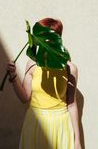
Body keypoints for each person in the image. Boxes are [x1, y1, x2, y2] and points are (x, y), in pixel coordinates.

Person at [7, 18, 82, 149]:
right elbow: (25, 97)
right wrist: (13, 76)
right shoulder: (32, 65)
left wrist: (77, 141)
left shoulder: (70, 68)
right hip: (35, 122)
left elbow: (72, 104)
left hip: (60, 124)